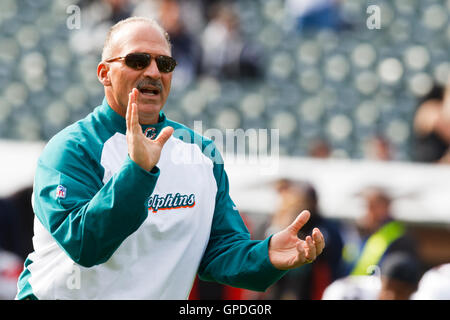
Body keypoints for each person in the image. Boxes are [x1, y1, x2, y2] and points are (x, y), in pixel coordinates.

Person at [16, 17, 325, 300]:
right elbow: (86, 245)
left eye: (164, 63)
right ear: (104, 73)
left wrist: (268, 256)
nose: (152, 71)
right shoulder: (71, 149)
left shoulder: (200, 153)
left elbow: (220, 250)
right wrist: (137, 171)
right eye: (137, 60)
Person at [262, 180, 344, 300]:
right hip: (279, 289)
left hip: (311, 289)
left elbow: (330, 265)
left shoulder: (324, 228)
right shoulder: (275, 224)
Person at [348, 187, 417, 277]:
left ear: (384, 208)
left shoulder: (399, 238)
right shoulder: (365, 234)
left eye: (370, 207)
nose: (365, 212)